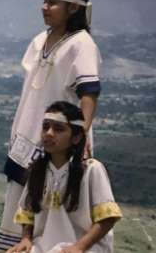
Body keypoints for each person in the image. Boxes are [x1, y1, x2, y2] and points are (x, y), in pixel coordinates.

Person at [0, 0, 102, 253]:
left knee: (56, 216)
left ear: (74, 9)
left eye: (52, 2)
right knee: (21, 210)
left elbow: (89, 93)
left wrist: (81, 133)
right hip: (27, 138)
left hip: (58, 142)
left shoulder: (82, 44)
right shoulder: (39, 40)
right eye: (44, 1)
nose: (45, 7)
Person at [7, 101, 122, 253]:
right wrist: (26, 239)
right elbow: (28, 213)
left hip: (85, 247)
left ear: (76, 138)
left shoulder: (92, 170)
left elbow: (107, 219)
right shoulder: (38, 170)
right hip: (44, 246)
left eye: (58, 129)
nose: (49, 133)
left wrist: (79, 247)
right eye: (46, 127)